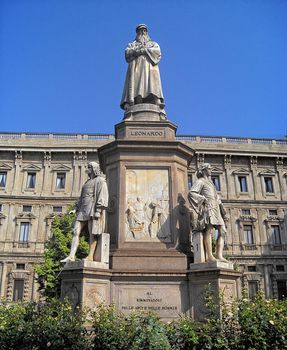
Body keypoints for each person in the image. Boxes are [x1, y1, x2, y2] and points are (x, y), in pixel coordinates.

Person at [61, 162, 109, 263]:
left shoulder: (100, 181)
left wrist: (98, 210)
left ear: (95, 169)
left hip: (92, 209)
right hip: (83, 210)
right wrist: (75, 208)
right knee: (75, 231)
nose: (87, 169)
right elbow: (81, 198)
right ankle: (71, 255)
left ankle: (90, 256)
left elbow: (102, 195)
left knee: (93, 233)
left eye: (89, 167)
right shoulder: (87, 182)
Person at [188, 163, 228, 262]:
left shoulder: (210, 182)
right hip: (208, 207)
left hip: (216, 207)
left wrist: (220, 203)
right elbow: (191, 193)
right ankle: (210, 256)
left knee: (223, 231)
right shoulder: (200, 181)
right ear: (204, 170)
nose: (211, 170)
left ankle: (219, 255)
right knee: (209, 231)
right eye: (209, 169)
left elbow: (215, 196)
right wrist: (203, 199)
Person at [120, 24, 164, 110]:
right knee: (136, 83)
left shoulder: (153, 44)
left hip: (150, 67)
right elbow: (127, 53)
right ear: (137, 33)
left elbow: (157, 52)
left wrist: (145, 50)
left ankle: (157, 99)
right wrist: (137, 51)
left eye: (144, 30)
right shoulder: (132, 44)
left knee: (152, 83)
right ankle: (137, 99)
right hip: (136, 67)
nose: (142, 32)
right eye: (140, 31)